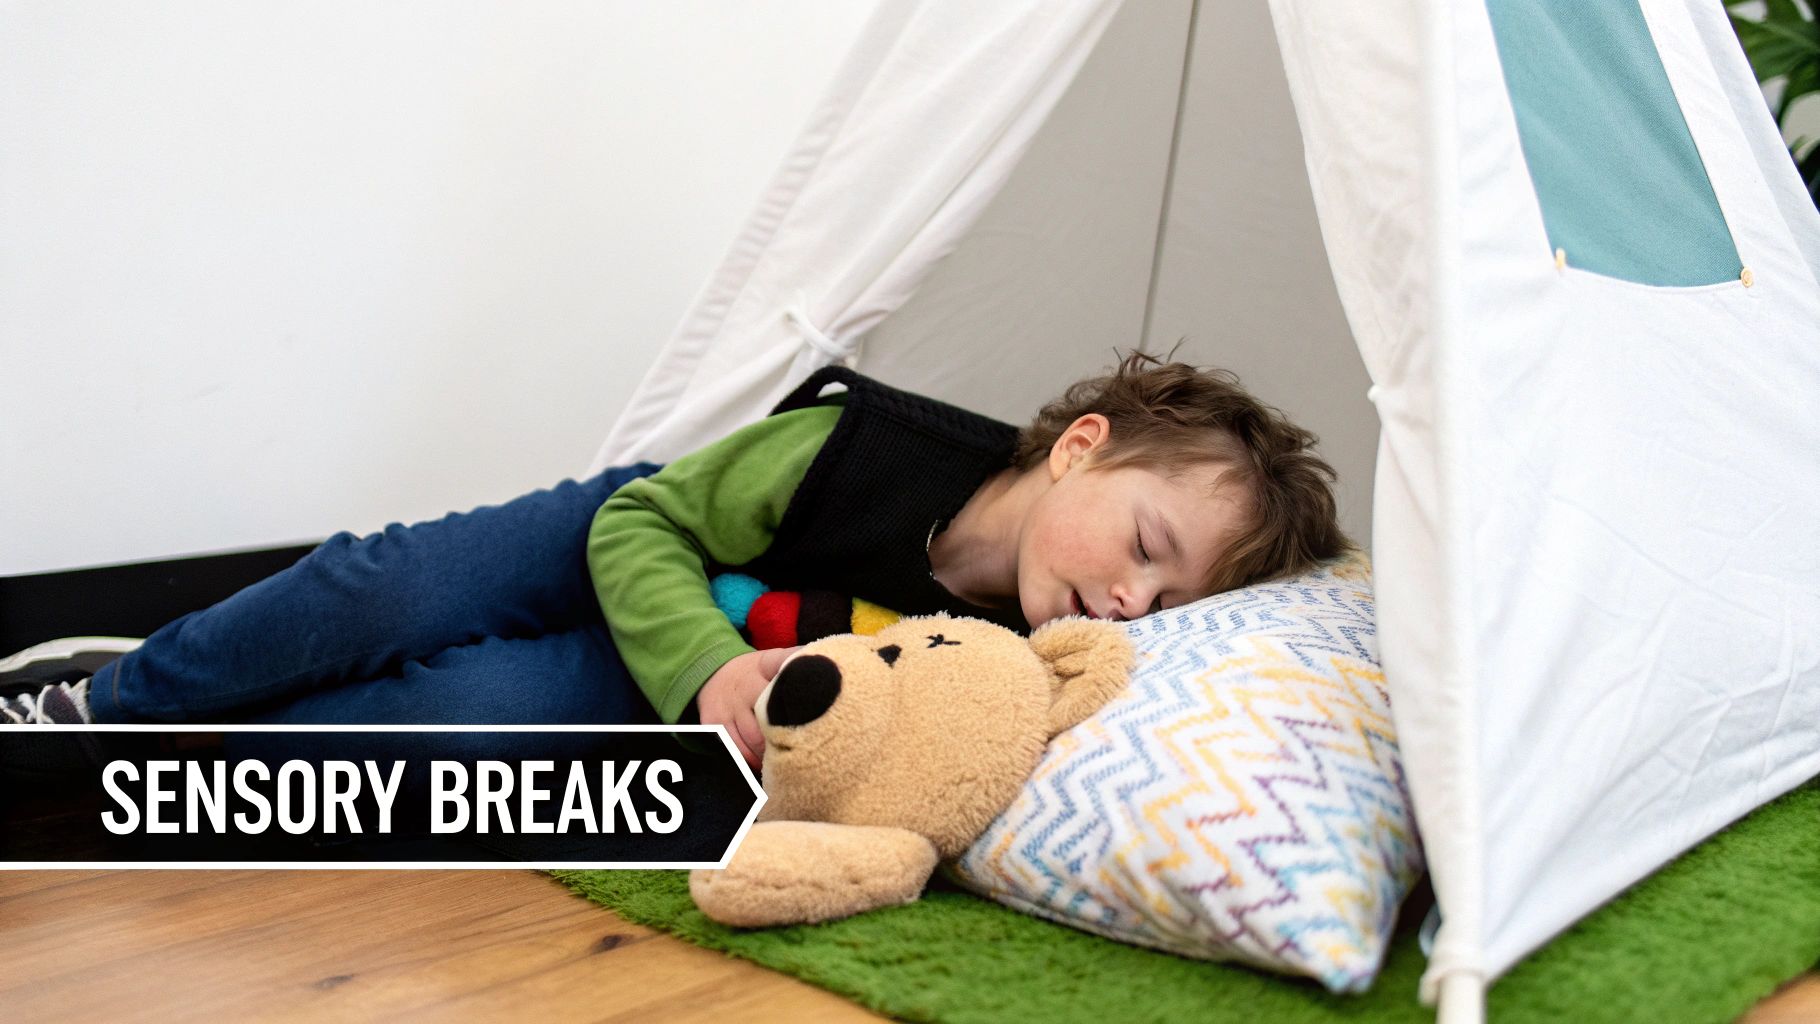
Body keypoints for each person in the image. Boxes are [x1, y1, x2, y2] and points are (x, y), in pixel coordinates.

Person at [1, 354, 1347, 770]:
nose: (1134, 600)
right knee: (385, 591)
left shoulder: (1013, 656)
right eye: (1146, 549)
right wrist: (708, 665)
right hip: (639, 541)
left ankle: (173, 768)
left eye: (1169, 599)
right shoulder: (857, 448)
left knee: (455, 717)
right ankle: (107, 701)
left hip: (682, 676)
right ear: (1081, 451)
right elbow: (640, 531)